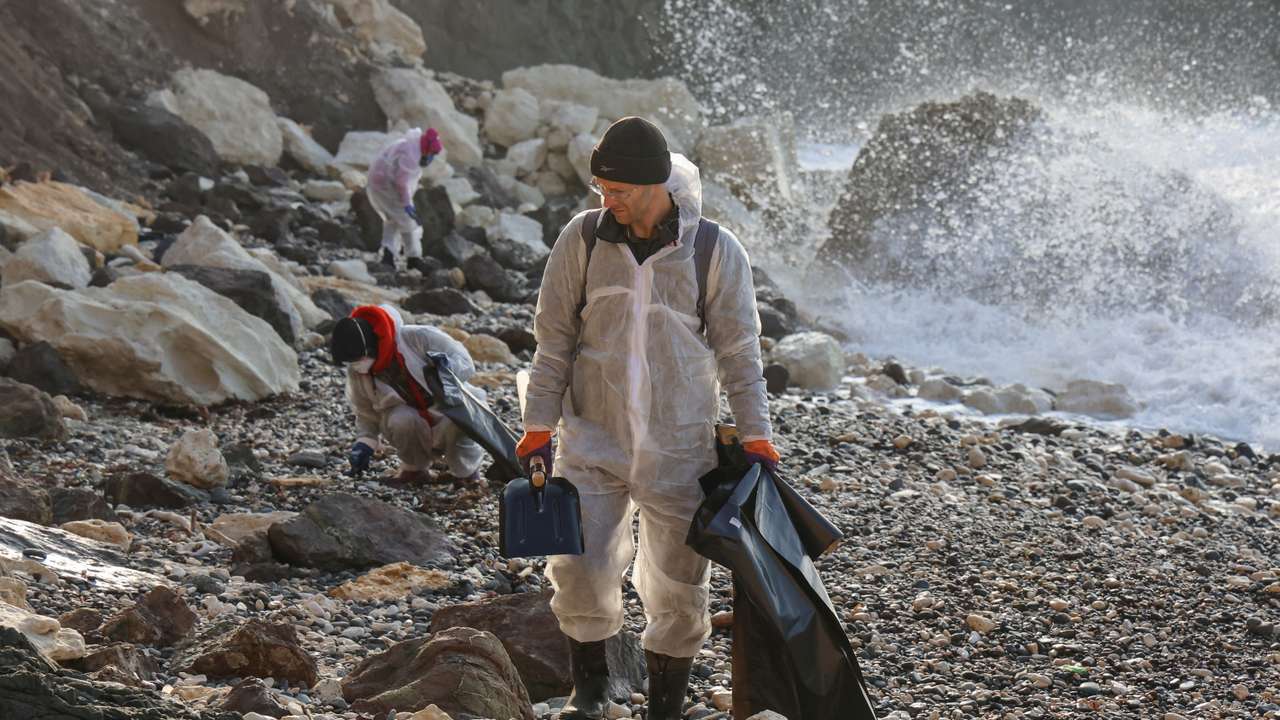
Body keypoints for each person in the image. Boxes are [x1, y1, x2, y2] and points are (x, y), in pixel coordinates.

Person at [516, 116, 780, 720]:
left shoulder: (713, 249)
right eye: (602, 190)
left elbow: (740, 353)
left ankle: (665, 705)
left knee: (679, 584)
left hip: (681, 448)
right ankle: (589, 691)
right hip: (592, 439)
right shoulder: (581, 241)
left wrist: (757, 434)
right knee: (578, 567)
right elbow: (553, 341)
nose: (608, 201)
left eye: (620, 191)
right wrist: (537, 425)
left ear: (657, 183)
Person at [330, 303, 485, 485]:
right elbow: (365, 411)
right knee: (399, 420)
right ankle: (414, 469)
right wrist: (365, 443)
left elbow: (466, 362)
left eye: (356, 360)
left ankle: (466, 473)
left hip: (449, 408)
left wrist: (445, 369)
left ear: (372, 347)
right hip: (412, 422)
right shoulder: (359, 372)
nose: (354, 365)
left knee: (460, 418)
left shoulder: (419, 337)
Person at [365, 127, 442, 272]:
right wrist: (407, 204)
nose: (431, 157)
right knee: (408, 222)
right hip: (386, 188)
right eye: (432, 153)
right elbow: (402, 182)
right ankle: (412, 259)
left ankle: (389, 256)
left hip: (380, 185)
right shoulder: (411, 155)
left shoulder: (410, 145)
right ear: (426, 148)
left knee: (393, 220)